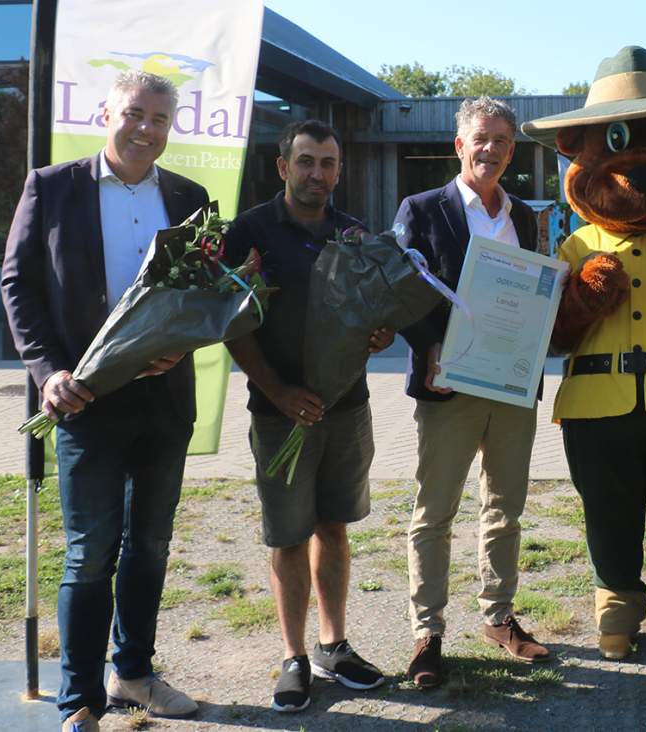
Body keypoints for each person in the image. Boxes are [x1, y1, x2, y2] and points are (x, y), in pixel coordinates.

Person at [2, 71, 208, 732]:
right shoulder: (53, 187)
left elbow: (205, 293)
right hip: (84, 401)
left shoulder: (189, 196)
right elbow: (19, 285)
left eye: (159, 119)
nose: (145, 129)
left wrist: (186, 344)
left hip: (165, 400)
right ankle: (80, 699)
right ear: (105, 113)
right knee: (91, 552)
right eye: (134, 114)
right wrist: (47, 371)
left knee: (149, 544)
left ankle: (135, 674)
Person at [222, 120, 393, 713]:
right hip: (279, 413)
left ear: (339, 171)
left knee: (334, 527)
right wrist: (276, 392)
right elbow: (230, 324)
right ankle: (294, 656)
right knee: (290, 535)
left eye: (327, 163)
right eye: (306, 161)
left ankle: (334, 645)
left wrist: (381, 330)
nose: (317, 172)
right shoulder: (249, 233)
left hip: (347, 408)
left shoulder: (354, 233)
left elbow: (373, 310)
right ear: (282, 166)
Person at [392, 96, 549, 688]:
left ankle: (498, 617)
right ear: (460, 145)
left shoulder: (526, 216)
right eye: (481, 139)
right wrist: (427, 346)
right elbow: (399, 289)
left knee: (505, 508)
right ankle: (427, 633)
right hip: (447, 382)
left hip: (509, 384)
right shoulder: (422, 208)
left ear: (513, 151)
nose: (492, 150)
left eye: (503, 141)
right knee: (434, 514)